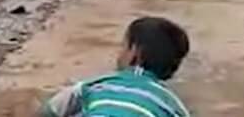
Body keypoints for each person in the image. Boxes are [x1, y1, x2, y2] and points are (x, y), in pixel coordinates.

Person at [39, 16, 191, 117]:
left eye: (122, 46)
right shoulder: (171, 104)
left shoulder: (97, 85)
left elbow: (51, 110)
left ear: (134, 52)